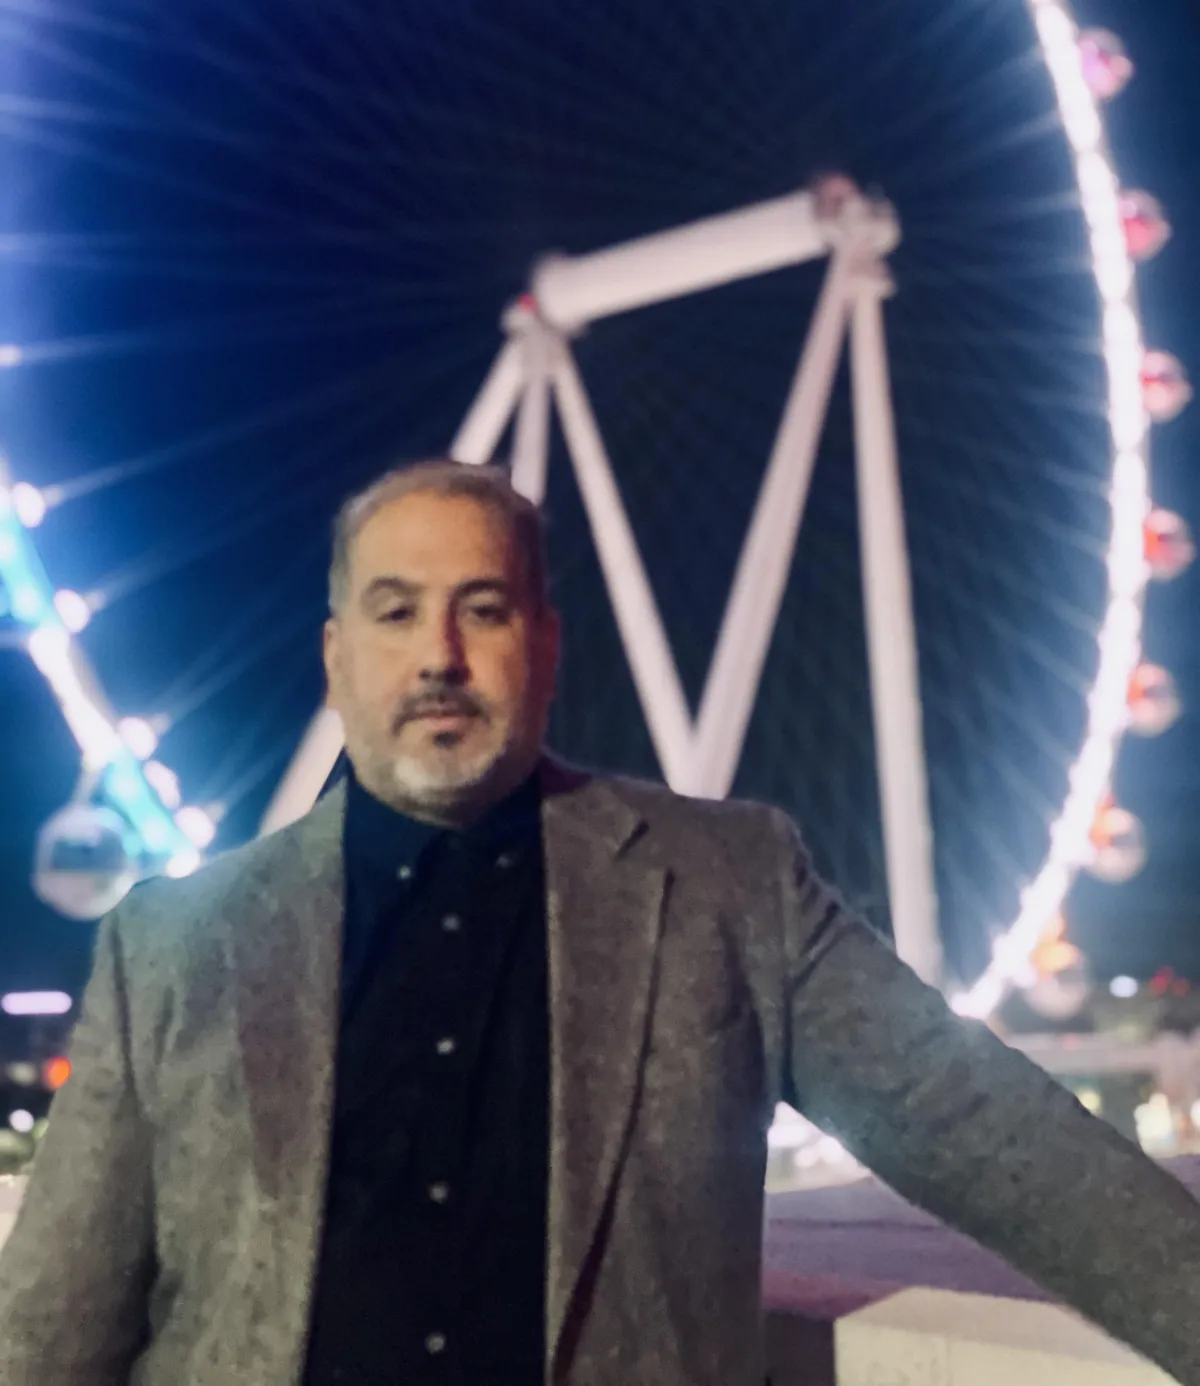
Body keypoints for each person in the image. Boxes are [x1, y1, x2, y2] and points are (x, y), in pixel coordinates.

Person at [2, 458, 1199, 1386]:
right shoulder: (170, 949)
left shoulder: (729, 888)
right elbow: (50, 1333)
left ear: (548, 646)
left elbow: (976, 1124)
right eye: (396, 612)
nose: (442, 657)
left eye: (485, 609)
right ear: (335, 657)